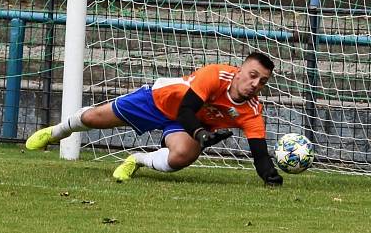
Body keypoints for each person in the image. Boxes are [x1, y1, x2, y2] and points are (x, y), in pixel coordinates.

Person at [25, 52, 284, 186]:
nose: (255, 83)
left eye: (262, 81)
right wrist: (203, 135)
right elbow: (186, 109)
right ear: (239, 71)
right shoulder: (215, 75)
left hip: (184, 125)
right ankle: (57, 131)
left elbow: (259, 154)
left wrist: (270, 177)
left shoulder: (251, 111)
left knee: (184, 155)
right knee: (93, 118)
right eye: (252, 75)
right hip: (158, 101)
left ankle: (136, 160)